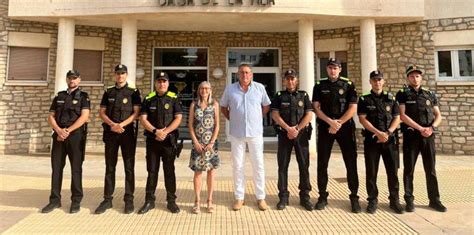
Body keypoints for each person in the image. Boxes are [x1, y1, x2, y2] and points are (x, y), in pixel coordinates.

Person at [312, 58, 361, 213]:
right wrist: (330, 123)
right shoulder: (319, 85)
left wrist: (338, 123)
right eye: (330, 68)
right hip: (326, 127)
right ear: (327, 69)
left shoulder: (348, 84)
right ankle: (322, 196)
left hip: (345, 127)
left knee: (351, 162)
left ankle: (354, 197)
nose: (333, 71)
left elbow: (353, 108)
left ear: (340, 69)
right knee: (322, 163)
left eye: (336, 68)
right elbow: (316, 108)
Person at [220, 63, 271, 211]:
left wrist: (258, 116)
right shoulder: (230, 89)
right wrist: (233, 119)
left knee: (258, 165)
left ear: (252, 74)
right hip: (237, 134)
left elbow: (266, 105)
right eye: (242, 72)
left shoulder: (259, 88)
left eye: (247, 72)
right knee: (238, 166)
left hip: (255, 133)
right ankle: (239, 197)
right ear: (237, 74)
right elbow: (223, 107)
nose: (245, 75)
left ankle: (260, 197)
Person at [396, 65, 446, 213]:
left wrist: (431, 128)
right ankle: (409, 200)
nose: (415, 78)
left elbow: (438, 115)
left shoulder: (429, 94)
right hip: (412, 136)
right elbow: (402, 116)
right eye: (412, 76)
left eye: (417, 76)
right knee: (409, 169)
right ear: (408, 78)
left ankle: (434, 200)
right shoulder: (402, 94)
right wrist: (420, 128)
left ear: (421, 77)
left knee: (430, 169)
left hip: (428, 136)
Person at [41, 70, 90, 214]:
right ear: (67, 79)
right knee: (56, 169)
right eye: (70, 78)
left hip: (75, 136)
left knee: (76, 169)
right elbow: (51, 116)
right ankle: (54, 200)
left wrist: (67, 131)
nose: (72, 80)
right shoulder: (59, 96)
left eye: (75, 78)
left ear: (79, 80)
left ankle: (76, 201)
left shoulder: (84, 97)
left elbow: (84, 117)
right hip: (58, 136)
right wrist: (58, 130)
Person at [94, 64, 141, 214]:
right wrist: (113, 125)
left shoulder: (133, 92)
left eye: (123, 73)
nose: (120, 76)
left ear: (126, 75)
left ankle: (129, 200)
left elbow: (136, 113)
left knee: (129, 167)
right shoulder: (109, 92)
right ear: (115, 75)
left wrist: (121, 125)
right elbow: (102, 112)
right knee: (110, 167)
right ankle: (107, 199)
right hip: (111, 133)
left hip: (127, 133)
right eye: (118, 73)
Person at [357, 70, 403, 214]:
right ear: (370, 82)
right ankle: (372, 200)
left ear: (383, 81)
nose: (377, 82)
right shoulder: (364, 99)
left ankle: (394, 200)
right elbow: (362, 119)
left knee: (393, 172)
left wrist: (388, 133)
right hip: (372, 140)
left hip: (390, 140)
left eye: (380, 80)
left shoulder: (391, 98)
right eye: (374, 80)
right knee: (371, 172)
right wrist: (378, 133)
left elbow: (397, 117)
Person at [138, 72, 183, 214]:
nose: (161, 84)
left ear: (168, 83)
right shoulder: (148, 99)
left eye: (164, 81)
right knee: (152, 172)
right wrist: (155, 131)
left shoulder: (173, 98)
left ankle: (171, 201)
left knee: (169, 172)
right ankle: (149, 201)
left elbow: (178, 118)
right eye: (159, 81)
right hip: (153, 141)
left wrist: (165, 132)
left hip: (169, 141)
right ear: (155, 83)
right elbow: (143, 119)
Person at [271, 69, 313, 211]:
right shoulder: (279, 96)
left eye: (292, 78)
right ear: (284, 81)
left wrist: (297, 129)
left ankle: (305, 196)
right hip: (284, 135)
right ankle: (283, 196)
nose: (290, 81)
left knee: (304, 165)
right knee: (283, 166)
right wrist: (289, 129)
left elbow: (309, 114)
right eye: (288, 79)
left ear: (297, 80)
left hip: (301, 135)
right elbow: (275, 114)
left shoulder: (304, 95)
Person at [188, 81, 220, 214]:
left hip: (211, 145)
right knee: (198, 172)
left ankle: (210, 201)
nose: (204, 90)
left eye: (206, 88)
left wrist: (212, 142)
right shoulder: (193, 104)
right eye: (202, 88)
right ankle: (197, 201)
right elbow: (190, 125)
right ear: (198, 90)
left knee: (211, 172)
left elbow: (217, 125)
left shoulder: (215, 104)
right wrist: (195, 141)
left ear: (210, 90)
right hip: (198, 144)